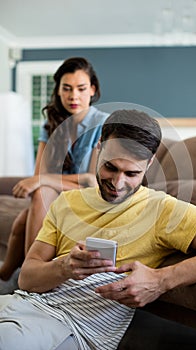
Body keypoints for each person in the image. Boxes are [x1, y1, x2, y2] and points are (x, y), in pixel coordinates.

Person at [0, 109, 196, 350]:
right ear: (99, 148)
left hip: (70, 327)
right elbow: (27, 279)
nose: (117, 183)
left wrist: (162, 280)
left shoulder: (162, 209)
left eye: (131, 173)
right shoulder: (66, 202)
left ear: (149, 163)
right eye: (110, 168)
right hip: (21, 304)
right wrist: (64, 267)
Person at [0, 57, 108, 294]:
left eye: (81, 89)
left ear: (93, 90)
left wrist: (43, 180)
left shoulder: (103, 124)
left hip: (86, 198)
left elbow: (91, 180)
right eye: (66, 88)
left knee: (41, 191)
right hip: (55, 197)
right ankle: (8, 274)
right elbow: (39, 174)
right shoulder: (50, 124)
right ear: (58, 91)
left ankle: (30, 279)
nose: (74, 96)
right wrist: (42, 179)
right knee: (24, 217)